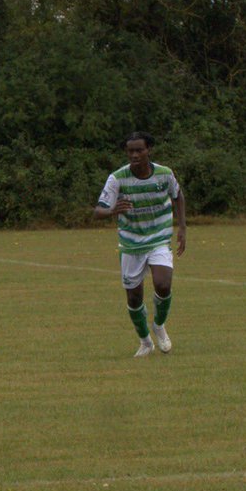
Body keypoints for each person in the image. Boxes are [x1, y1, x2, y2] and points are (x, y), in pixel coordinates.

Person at [93, 131, 187, 357]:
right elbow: (98, 211)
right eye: (130, 151)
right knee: (134, 298)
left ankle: (159, 325)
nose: (134, 155)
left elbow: (178, 195)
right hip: (131, 244)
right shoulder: (117, 178)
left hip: (158, 239)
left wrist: (182, 227)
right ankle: (145, 342)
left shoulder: (164, 174)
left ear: (148, 150)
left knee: (163, 284)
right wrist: (112, 210)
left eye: (139, 150)